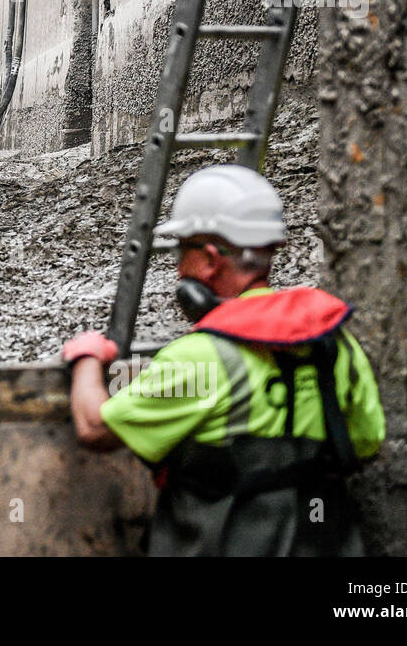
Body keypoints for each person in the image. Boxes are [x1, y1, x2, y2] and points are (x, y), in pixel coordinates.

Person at [65, 164, 385, 555]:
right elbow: (367, 442)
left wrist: (84, 357)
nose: (179, 268)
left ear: (212, 259)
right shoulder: (334, 343)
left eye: (183, 251)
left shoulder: (199, 359)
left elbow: (95, 428)